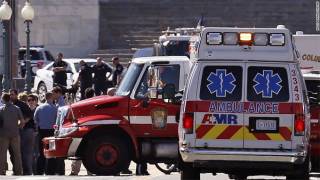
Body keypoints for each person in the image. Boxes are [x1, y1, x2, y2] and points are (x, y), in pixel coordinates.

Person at [9, 89, 33, 175]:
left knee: (23, 152)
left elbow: (30, 115)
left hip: (25, 131)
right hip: (15, 132)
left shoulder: (21, 104)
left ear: (16, 95)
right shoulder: (10, 105)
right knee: (14, 152)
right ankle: (17, 170)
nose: (11, 96)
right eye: (10, 94)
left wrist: (22, 123)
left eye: (12, 94)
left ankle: (26, 172)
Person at [0, 93, 24, 175]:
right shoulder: (17, 108)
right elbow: (22, 121)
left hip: (3, 134)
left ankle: (2, 171)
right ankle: (18, 171)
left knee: (2, 153)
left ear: (3, 99)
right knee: (17, 153)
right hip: (15, 133)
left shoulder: (1, 109)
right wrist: (18, 127)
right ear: (9, 99)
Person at [34, 92, 57, 175]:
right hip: (51, 133)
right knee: (51, 152)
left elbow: (35, 120)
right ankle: (50, 171)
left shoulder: (39, 108)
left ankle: (39, 171)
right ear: (51, 97)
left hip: (42, 132)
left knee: (41, 153)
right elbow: (57, 121)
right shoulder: (55, 108)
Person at [52, 86, 66, 175]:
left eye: (54, 93)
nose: (52, 95)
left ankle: (60, 171)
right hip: (59, 128)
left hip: (60, 129)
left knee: (59, 150)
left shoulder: (61, 103)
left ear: (58, 93)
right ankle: (59, 170)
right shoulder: (58, 102)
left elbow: (61, 117)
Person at [27, 94, 39, 175]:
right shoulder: (26, 110)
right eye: (29, 100)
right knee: (29, 154)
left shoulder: (38, 109)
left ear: (36, 101)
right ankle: (30, 170)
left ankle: (36, 171)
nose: (30, 102)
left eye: (32, 100)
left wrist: (37, 131)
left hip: (36, 134)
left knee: (36, 153)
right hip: (27, 135)